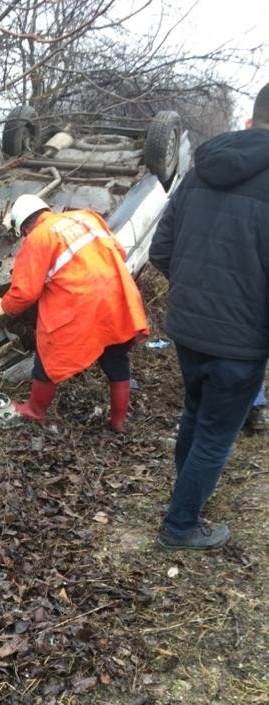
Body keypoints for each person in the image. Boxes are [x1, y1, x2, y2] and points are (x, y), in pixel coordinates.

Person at [149, 84, 269, 551]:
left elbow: (161, 249)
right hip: (240, 341)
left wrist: (194, 291)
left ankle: (187, 496)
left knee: (196, 415)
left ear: (248, 121)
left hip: (188, 328)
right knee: (216, 435)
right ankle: (180, 526)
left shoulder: (199, 172)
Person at [0, 195, 149, 432]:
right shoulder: (86, 217)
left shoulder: (37, 238)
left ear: (24, 226)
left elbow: (25, 293)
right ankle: (118, 422)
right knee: (116, 358)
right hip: (117, 297)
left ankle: (34, 410)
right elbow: (118, 251)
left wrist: (2, 307)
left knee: (48, 358)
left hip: (81, 306)